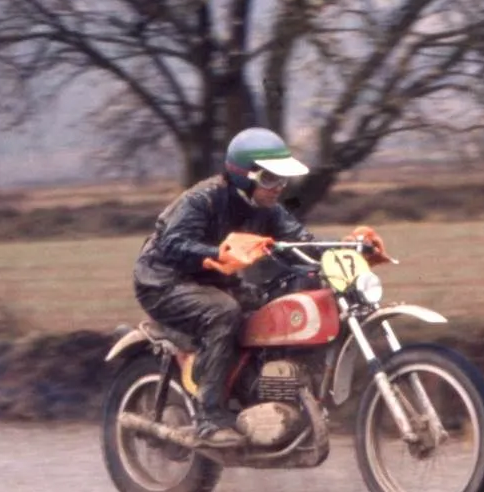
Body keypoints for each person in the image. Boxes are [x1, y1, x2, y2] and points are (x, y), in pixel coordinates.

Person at [133, 127, 385, 447]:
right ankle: (210, 417)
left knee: (273, 308)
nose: (278, 187)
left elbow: (303, 244)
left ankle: (260, 395)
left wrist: (350, 247)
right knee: (224, 312)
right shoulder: (202, 199)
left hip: (216, 282)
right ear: (244, 177)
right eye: (269, 178)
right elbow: (172, 244)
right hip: (164, 281)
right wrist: (217, 252)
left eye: (282, 179)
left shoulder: (269, 209)